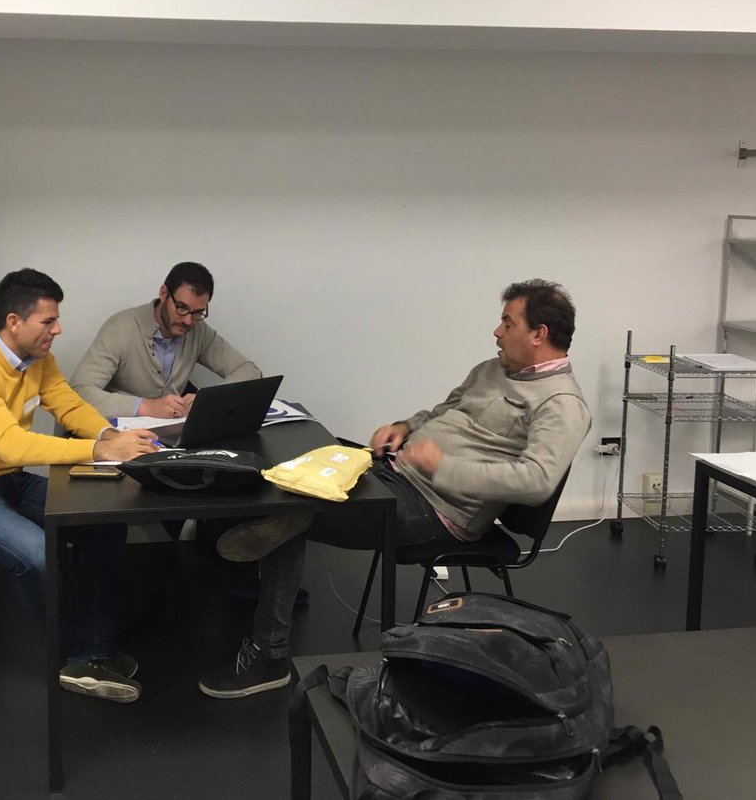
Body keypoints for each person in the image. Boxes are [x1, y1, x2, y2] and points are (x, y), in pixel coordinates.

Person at [197, 279, 592, 699]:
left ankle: (268, 655)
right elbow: (442, 411)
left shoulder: (562, 404)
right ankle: (266, 569)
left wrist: (444, 468)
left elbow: (536, 480)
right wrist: (404, 427)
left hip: (437, 511)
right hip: (395, 473)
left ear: (538, 334)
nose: (497, 331)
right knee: (298, 467)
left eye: (508, 323)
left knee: (297, 509)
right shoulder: (492, 369)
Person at [0, 268, 160, 703]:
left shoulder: (38, 360)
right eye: (48, 321)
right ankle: (71, 657)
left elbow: (68, 405)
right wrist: (99, 450)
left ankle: (93, 651)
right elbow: (11, 445)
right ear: (14, 322)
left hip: (4, 479)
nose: (57, 329)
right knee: (36, 555)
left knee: (104, 519)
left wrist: (109, 435)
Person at [70, 261, 262, 419]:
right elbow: (79, 391)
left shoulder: (198, 331)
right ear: (163, 294)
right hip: (121, 436)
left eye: (198, 312)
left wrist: (208, 399)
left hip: (170, 437)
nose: (188, 321)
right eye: (181, 307)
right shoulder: (121, 327)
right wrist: (145, 406)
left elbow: (249, 370)